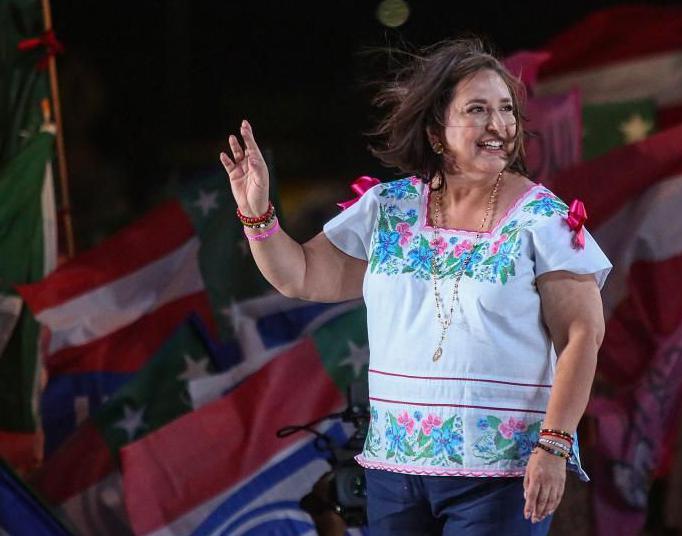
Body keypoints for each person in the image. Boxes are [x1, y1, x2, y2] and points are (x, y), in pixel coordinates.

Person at [219, 38, 611, 535]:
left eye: (506, 110)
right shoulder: (388, 210)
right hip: (395, 471)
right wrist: (257, 211)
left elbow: (582, 334)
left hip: (502, 474)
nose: (500, 126)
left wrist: (553, 446)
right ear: (436, 131)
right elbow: (299, 276)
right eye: (477, 110)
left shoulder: (544, 220)